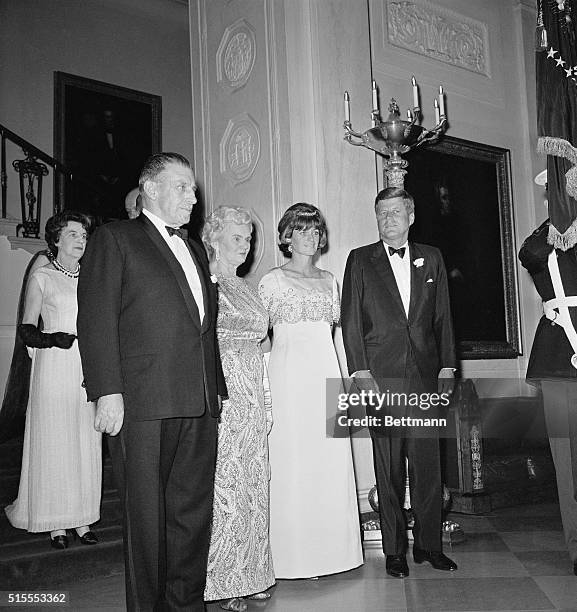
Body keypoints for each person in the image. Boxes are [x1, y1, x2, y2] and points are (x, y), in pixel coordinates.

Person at [77, 153, 227, 611]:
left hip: (198, 399)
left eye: (193, 188)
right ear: (152, 189)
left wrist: (215, 388)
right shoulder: (115, 238)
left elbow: (202, 325)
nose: (194, 196)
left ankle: (186, 605)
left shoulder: (195, 248)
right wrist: (107, 391)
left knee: (191, 516)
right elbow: (97, 319)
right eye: (183, 186)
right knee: (146, 521)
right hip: (142, 402)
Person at [341, 186, 457, 579]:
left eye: (394, 212)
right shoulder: (359, 260)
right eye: (381, 213)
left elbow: (442, 317)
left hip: (425, 376)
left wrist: (447, 367)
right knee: (388, 467)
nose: (387, 219)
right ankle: (394, 551)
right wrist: (360, 372)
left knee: (428, 466)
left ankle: (429, 547)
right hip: (381, 377)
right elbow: (352, 320)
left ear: (410, 216)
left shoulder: (433, 258)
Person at [258, 202, 363, 579]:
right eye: (302, 230)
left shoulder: (330, 280)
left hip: (325, 374)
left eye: (316, 230)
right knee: (293, 463)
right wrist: (268, 383)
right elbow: (261, 338)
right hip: (288, 378)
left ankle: (335, 553)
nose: (311, 236)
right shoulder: (272, 280)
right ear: (287, 236)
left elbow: (335, 337)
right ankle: (293, 557)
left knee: (329, 460)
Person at [5, 211, 101, 549]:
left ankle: (83, 518)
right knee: (55, 439)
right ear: (56, 240)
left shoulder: (93, 278)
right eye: (72, 234)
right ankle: (55, 524)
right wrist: (53, 338)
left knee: (84, 439)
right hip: (53, 364)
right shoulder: (43, 277)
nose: (80, 240)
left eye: (84, 235)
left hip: (87, 366)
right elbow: (27, 329)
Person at [202, 206, 275, 612]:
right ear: (213, 237)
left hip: (252, 390)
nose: (245, 245)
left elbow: (262, 345)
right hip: (223, 390)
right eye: (236, 237)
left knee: (253, 482)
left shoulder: (246, 286)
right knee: (226, 484)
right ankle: (221, 581)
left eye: (248, 238)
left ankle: (253, 574)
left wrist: (265, 395)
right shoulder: (206, 283)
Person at [519, 211, 577, 576]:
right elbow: (530, 255)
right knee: (567, 459)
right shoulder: (546, 237)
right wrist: (562, 219)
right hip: (559, 356)